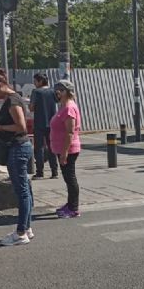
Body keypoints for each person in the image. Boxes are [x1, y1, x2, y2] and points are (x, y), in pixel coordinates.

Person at [0, 69, 35, 245]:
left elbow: (21, 127)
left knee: (21, 191)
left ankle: (21, 232)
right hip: (20, 147)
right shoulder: (13, 99)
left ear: (0, 85)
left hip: (17, 147)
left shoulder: (13, 100)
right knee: (25, 189)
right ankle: (26, 227)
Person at [50, 79, 82, 218]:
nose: (57, 93)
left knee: (70, 178)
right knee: (68, 178)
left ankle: (73, 208)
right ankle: (69, 204)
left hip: (68, 149)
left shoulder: (69, 107)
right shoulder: (63, 106)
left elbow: (70, 132)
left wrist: (64, 153)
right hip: (61, 148)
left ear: (67, 92)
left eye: (60, 90)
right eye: (57, 90)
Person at [29, 73, 59, 179]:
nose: (34, 83)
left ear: (40, 81)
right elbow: (58, 100)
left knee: (39, 148)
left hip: (39, 124)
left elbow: (31, 108)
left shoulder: (36, 92)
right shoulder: (52, 91)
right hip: (52, 124)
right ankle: (54, 172)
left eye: (35, 81)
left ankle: (40, 172)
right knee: (52, 148)